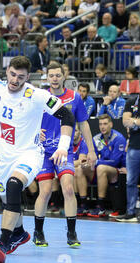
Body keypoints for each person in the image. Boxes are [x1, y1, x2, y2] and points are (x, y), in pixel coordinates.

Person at [0, 31, 75, 263]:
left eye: (20, 77)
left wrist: (63, 146)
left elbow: (67, 116)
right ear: (7, 71)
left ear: (27, 76)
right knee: (8, 199)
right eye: (12, 74)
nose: (15, 80)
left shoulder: (37, 95)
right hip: (4, 158)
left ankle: (3, 242)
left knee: (13, 186)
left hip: (29, 154)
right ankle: (19, 233)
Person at [32, 61, 96, 248]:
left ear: (64, 77)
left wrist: (91, 150)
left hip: (64, 150)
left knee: (68, 188)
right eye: (51, 75)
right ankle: (38, 231)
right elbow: (28, 119)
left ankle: (71, 232)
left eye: (57, 75)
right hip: (43, 151)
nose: (54, 79)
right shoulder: (40, 97)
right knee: (44, 191)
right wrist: (35, 132)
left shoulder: (74, 98)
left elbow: (83, 124)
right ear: (47, 77)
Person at [75, 114, 127, 217]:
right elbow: (91, 156)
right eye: (100, 124)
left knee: (100, 168)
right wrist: (87, 162)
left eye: (105, 124)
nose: (102, 126)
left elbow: (115, 161)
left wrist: (97, 162)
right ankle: (83, 205)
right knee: (80, 169)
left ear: (111, 124)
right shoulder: (96, 138)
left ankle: (101, 207)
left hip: (117, 170)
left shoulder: (119, 138)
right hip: (99, 169)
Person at [119, 94, 140, 222]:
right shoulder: (132, 101)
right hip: (133, 147)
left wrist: (134, 121)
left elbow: (130, 121)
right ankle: (130, 212)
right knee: (130, 181)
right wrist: (136, 121)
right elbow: (124, 121)